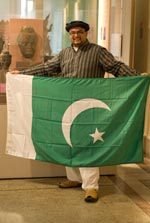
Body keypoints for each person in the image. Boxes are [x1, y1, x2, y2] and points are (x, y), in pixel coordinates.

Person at [11, 20, 142, 203]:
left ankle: (91, 186)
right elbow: (47, 69)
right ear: (69, 35)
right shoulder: (64, 54)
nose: (76, 36)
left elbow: (116, 67)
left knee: (87, 146)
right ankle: (74, 178)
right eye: (72, 33)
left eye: (79, 32)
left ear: (86, 33)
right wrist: (23, 73)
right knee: (68, 142)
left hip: (90, 106)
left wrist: (135, 76)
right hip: (67, 105)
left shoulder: (97, 52)